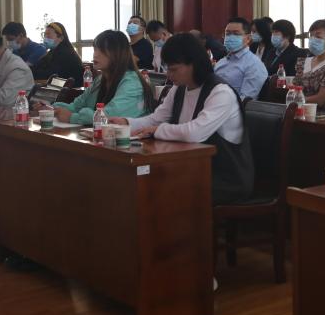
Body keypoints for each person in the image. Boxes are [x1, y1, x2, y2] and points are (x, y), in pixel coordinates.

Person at [117, 33, 253, 205]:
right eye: (167, 68)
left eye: (174, 69)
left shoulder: (220, 93)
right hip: (190, 168)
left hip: (224, 178)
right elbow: (156, 119)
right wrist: (126, 123)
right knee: (137, 182)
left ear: (194, 64)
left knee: (156, 187)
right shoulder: (180, 88)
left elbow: (194, 133)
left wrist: (158, 130)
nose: (169, 74)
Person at [48, 30, 153, 124]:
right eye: (95, 49)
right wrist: (51, 108)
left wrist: (73, 117)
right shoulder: (100, 80)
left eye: (101, 51)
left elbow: (108, 116)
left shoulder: (133, 83)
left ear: (117, 54)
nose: (95, 55)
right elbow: (76, 106)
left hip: (131, 138)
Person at [213, 17, 269, 100]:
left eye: (236, 34)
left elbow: (245, 100)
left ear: (248, 38)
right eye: (227, 34)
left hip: (232, 106)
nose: (230, 37)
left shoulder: (254, 64)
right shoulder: (221, 62)